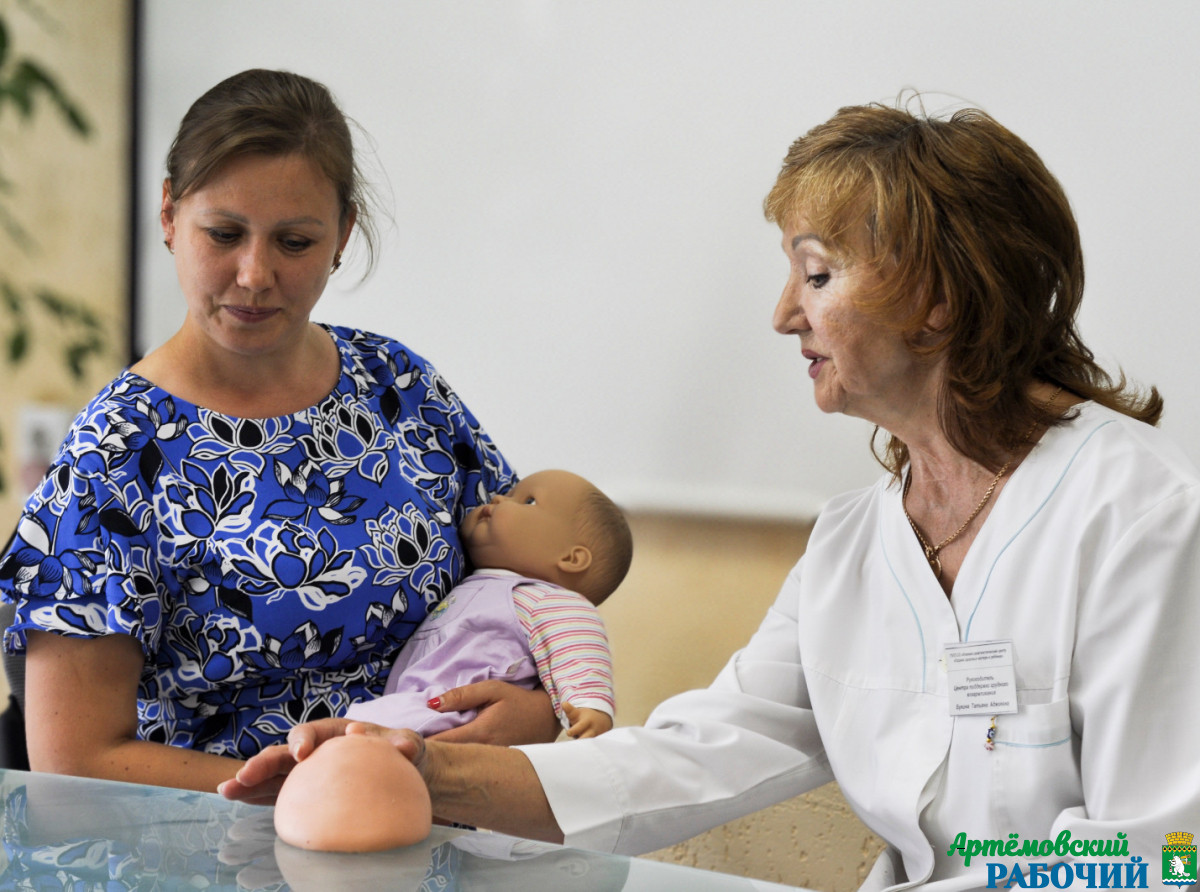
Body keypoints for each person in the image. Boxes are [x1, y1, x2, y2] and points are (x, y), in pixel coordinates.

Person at [226, 99, 1200, 889]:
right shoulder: (856, 543)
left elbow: (1155, 855)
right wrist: (422, 767)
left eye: (816, 273)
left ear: (938, 300)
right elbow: (708, 748)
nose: (784, 315)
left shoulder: (1137, 517)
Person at [0, 68, 563, 794]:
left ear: (343, 236)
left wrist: (539, 710)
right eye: (224, 234)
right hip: (219, 856)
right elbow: (74, 768)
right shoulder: (118, 452)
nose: (255, 274)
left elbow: (532, 582)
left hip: (431, 829)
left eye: (295, 242)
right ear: (170, 214)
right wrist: (320, 788)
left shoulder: (398, 386)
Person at [343, 468, 633, 740]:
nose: (498, 497)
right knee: (347, 742)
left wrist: (590, 705)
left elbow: (578, 646)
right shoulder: (480, 583)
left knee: (354, 743)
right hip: (413, 708)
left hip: (460, 715)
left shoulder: (547, 599)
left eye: (529, 501)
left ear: (572, 558)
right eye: (510, 494)